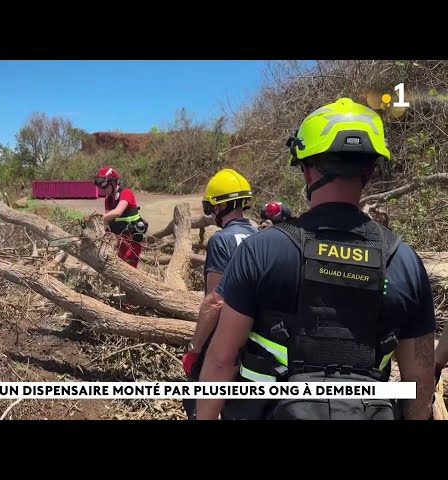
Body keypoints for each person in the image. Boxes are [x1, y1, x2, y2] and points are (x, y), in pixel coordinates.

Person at [196, 98, 436, 421]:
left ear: (307, 170)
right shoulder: (405, 263)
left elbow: (221, 361)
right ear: (370, 171)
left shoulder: (261, 252)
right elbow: (419, 385)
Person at [181, 168, 258, 419]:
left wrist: (195, 347)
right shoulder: (261, 236)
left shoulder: (221, 240)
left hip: (224, 339)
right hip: (255, 340)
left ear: (217, 207)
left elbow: (215, 301)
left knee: (197, 398)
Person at [93, 166, 147, 268]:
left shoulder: (126, 192)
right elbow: (108, 218)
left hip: (132, 236)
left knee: (129, 263)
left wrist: (100, 218)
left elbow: (118, 212)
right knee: (119, 261)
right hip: (119, 237)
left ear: (113, 182)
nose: (103, 190)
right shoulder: (108, 199)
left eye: (105, 186)